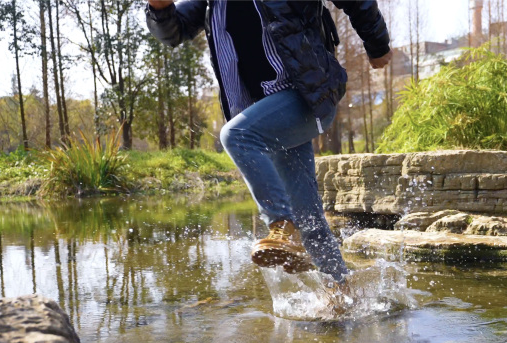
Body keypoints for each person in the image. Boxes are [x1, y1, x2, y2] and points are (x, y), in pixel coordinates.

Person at [146, 0, 391, 285]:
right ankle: (343, 296)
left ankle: (281, 224)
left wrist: (377, 43)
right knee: (309, 219)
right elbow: (174, 31)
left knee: (236, 136)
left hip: (307, 94)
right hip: (265, 109)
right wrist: (159, 9)